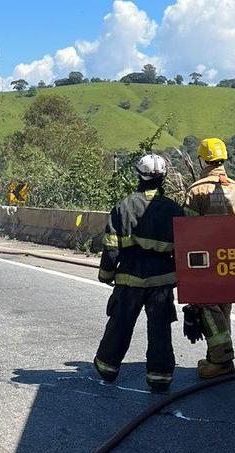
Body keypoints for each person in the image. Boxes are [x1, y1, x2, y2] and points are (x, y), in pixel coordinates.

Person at [94, 154, 184, 393]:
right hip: (161, 280)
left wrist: (105, 276)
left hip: (129, 278)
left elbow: (111, 248)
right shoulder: (174, 209)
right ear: (163, 178)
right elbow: (185, 250)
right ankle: (160, 377)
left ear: (138, 176)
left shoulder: (122, 207)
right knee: (160, 329)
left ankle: (107, 368)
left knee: (120, 325)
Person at [182, 138, 235, 379]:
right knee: (223, 307)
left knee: (207, 305)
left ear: (203, 160)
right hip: (232, 261)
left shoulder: (196, 192)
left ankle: (222, 360)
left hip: (205, 264)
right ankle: (217, 357)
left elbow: (186, 233)